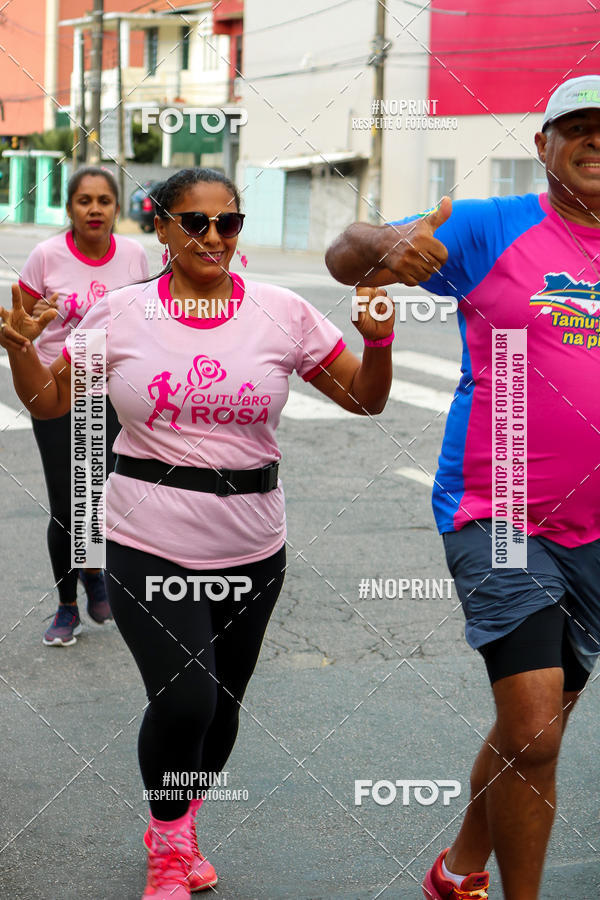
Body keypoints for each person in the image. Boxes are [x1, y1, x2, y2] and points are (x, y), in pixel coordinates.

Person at [0, 167, 394, 899]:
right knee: (188, 701)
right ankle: (169, 844)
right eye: (195, 222)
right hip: (146, 536)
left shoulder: (282, 311)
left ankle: (177, 827)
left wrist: (379, 342)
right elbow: (51, 402)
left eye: (228, 222)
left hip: (253, 544)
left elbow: (365, 400)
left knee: (224, 709)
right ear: (162, 227)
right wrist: (23, 349)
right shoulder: (123, 312)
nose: (213, 236)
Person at [325, 74, 600, 900]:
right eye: (579, 128)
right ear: (543, 145)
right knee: (535, 727)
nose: (596, 142)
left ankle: (457, 871)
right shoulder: (492, 226)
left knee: (536, 728)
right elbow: (345, 252)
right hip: (501, 509)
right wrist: (383, 247)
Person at [16, 166, 148, 646]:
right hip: (58, 387)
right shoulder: (45, 256)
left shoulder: (134, 256)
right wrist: (32, 323)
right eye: (84, 200)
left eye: (104, 200)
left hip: (113, 389)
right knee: (66, 503)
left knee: (99, 495)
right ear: (70, 207)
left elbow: (147, 317)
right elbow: (20, 324)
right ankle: (66, 605)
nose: (94, 209)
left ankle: (94, 571)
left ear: (116, 208)